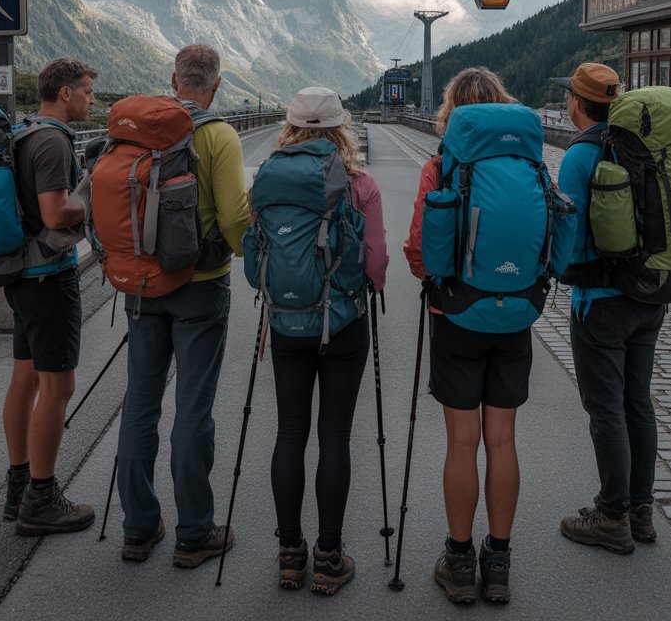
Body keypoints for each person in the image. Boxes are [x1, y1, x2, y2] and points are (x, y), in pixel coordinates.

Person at [403, 66, 554, 605]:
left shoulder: (441, 166)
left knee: (462, 443)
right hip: (515, 317)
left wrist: (436, 277)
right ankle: (501, 563)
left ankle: (460, 563)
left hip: (457, 318)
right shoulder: (530, 162)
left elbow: (420, 253)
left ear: (453, 113)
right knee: (503, 441)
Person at [117, 44, 251, 567]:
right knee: (192, 408)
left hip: (143, 286)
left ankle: (138, 527)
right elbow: (235, 218)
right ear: (215, 86)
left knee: (140, 404)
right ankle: (194, 533)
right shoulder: (218, 135)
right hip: (200, 286)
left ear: (174, 80)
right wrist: (251, 256)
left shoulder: (139, 131)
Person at [269, 87, 388, 595]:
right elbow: (377, 261)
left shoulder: (270, 178)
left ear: (291, 128)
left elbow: (257, 251)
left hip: (286, 322)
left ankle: (290, 555)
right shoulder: (360, 184)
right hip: (342, 323)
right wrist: (372, 288)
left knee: (290, 431)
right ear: (341, 128)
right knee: (334, 435)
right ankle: (329, 556)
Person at [553, 62, 664, 553]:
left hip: (600, 302)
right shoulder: (638, 145)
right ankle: (641, 510)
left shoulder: (579, 156)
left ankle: (612, 515)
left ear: (576, 103)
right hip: (650, 296)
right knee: (637, 401)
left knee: (606, 409)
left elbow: (570, 235)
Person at [4, 57, 99, 535]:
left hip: (20, 273)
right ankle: (41, 498)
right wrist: (93, 195)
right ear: (65, 93)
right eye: (86, 91)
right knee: (58, 387)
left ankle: (18, 487)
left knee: (25, 378)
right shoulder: (53, 140)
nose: (92, 100)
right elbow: (56, 213)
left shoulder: (24, 132)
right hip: (48, 277)